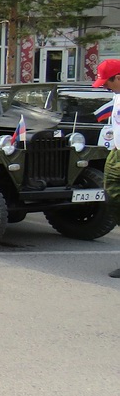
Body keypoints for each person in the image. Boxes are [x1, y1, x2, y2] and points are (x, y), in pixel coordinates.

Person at [94, 58, 120, 277]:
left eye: (107, 81)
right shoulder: (117, 96)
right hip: (117, 153)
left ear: (118, 78)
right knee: (113, 198)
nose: (104, 85)